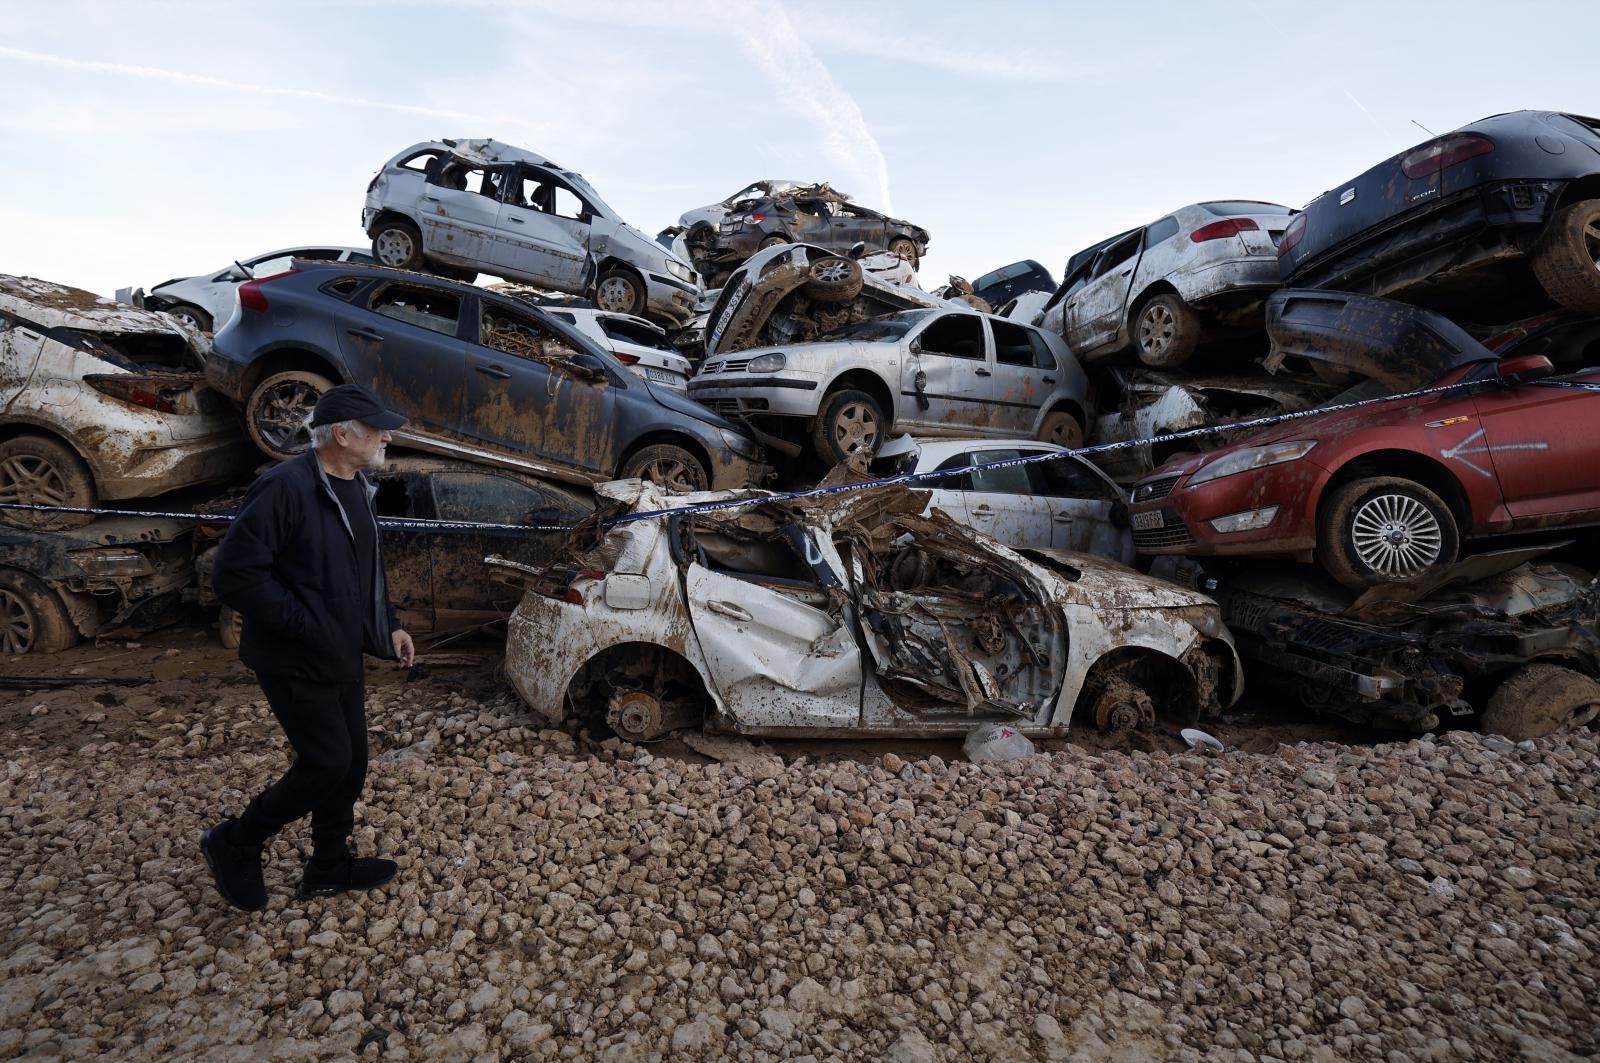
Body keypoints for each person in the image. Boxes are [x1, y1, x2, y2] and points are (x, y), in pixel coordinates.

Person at [200, 385, 416, 912]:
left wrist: (387, 624)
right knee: (326, 762)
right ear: (342, 434)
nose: (387, 436)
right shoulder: (285, 488)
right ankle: (236, 841)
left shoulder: (358, 487)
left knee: (354, 762)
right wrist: (307, 623)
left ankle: (327, 866)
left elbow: (365, 573)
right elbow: (234, 575)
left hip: (341, 652)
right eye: (377, 428)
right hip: (294, 655)